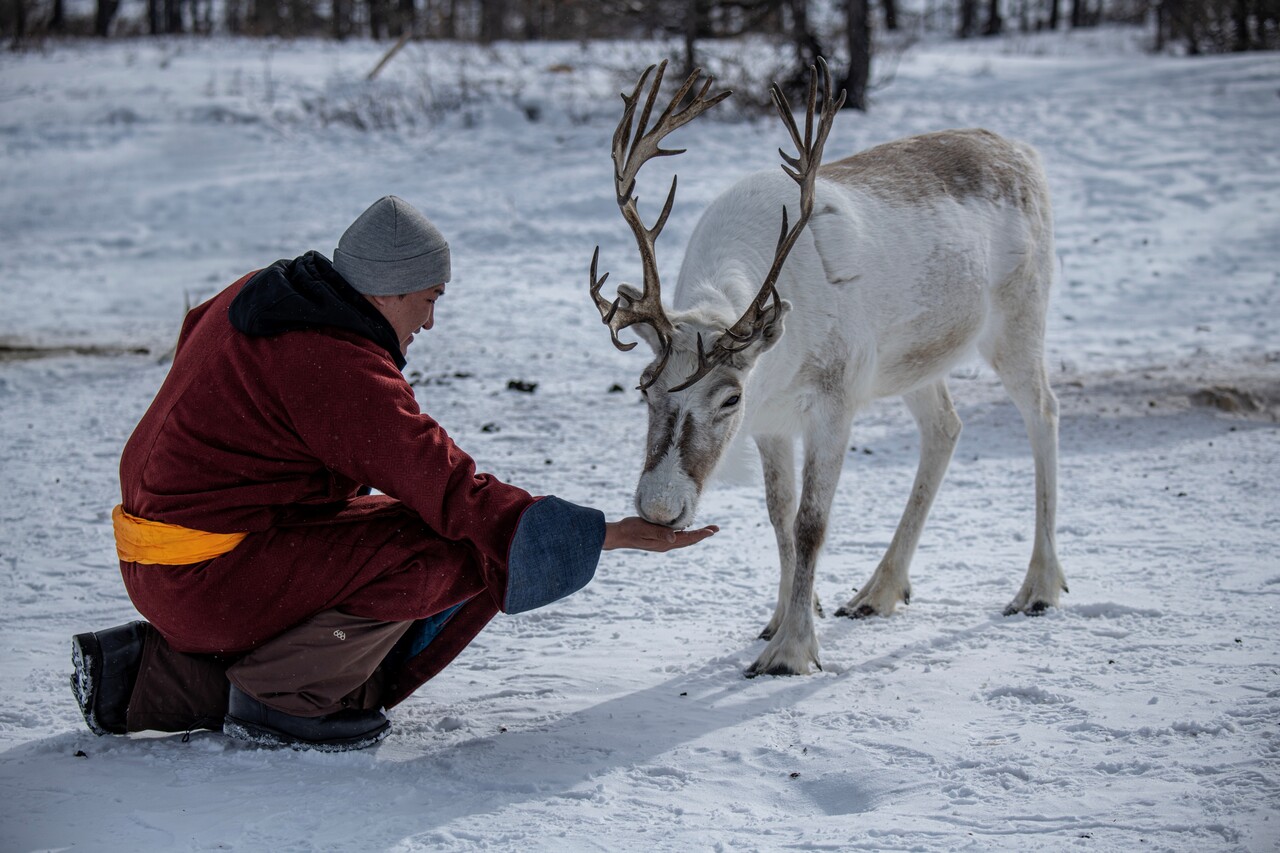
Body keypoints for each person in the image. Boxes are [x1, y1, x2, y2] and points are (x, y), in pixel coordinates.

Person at [70, 196, 716, 752]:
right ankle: (286, 700)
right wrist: (604, 534)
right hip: (207, 580)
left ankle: (147, 677)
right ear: (391, 289)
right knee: (455, 545)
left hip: (181, 562)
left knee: (412, 533)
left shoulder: (256, 294)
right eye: (429, 298)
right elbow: (453, 491)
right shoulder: (335, 365)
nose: (430, 320)